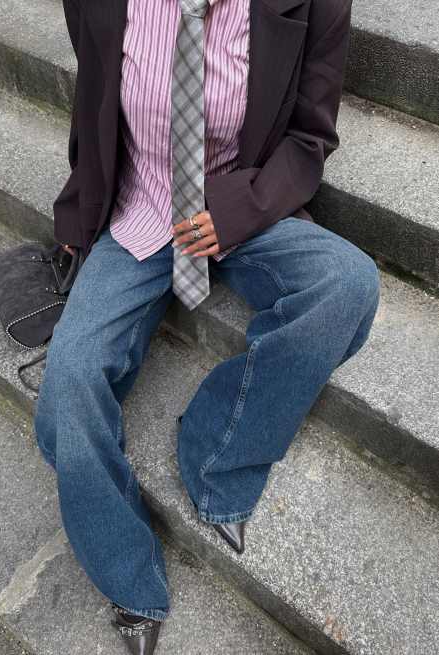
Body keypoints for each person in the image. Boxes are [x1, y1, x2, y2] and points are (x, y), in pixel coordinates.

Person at [34, 0, 379, 653]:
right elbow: (93, 100)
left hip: (241, 205)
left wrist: (241, 209)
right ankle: (127, 573)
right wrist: (77, 221)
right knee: (67, 388)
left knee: (347, 285)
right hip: (138, 210)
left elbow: (310, 139)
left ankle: (218, 456)